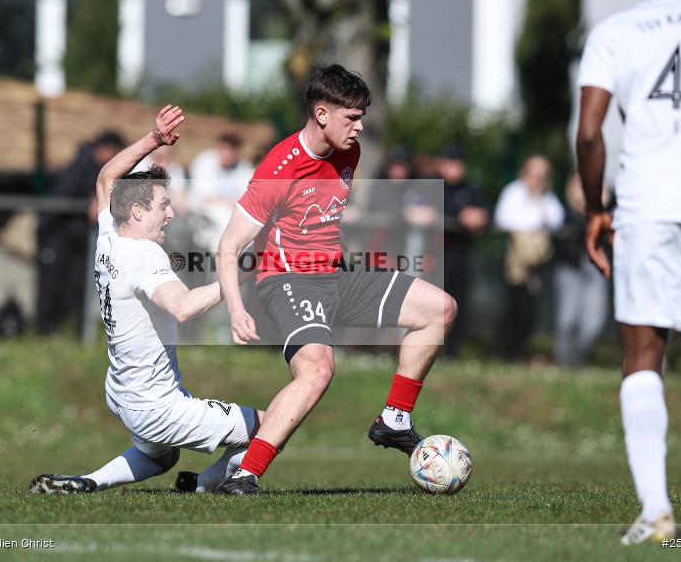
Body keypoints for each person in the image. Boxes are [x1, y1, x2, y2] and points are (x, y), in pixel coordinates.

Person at [213, 64, 457, 495]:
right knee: (317, 371)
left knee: (440, 308)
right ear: (321, 114)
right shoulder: (279, 169)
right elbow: (229, 246)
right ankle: (244, 476)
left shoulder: (348, 152)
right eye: (352, 117)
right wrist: (236, 309)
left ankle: (394, 420)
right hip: (288, 280)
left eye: (363, 116)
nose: (360, 127)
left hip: (335, 275)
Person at [30, 105, 264, 495]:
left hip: (123, 392)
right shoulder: (143, 254)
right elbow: (184, 307)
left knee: (161, 456)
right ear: (137, 211)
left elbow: (107, 178)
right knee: (271, 424)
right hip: (156, 404)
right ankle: (205, 484)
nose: (171, 214)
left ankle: (86, 482)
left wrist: (153, 140)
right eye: (163, 206)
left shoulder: (110, 235)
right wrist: (244, 271)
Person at [576, 0, 681, 544]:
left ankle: (657, 511)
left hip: (647, 204)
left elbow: (590, 134)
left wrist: (596, 207)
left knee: (644, 354)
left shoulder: (620, 30)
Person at [35, 130, 126, 336]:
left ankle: (74, 331)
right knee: (52, 285)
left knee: (77, 286)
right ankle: (44, 331)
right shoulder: (81, 166)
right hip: (56, 235)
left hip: (77, 238)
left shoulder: (95, 168)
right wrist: (90, 200)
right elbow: (61, 198)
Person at [493, 155, 565, 361]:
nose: (538, 180)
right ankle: (505, 352)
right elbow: (504, 219)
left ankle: (517, 352)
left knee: (530, 313)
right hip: (514, 262)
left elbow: (556, 219)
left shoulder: (547, 198)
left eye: (542, 176)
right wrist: (535, 221)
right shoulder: (513, 192)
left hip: (537, 264)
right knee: (514, 308)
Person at [435, 146, 489, 358]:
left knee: (458, 304)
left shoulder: (470, 190)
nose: (454, 168)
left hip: (460, 257)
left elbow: (484, 213)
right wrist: (460, 217)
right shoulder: (431, 185)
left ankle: (452, 351)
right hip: (434, 256)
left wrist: (480, 217)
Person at [552, 173, 609, 368]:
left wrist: (599, 208)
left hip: (595, 271)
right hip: (570, 268)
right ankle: (564, 365)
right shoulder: (561, 209)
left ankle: (577, 360)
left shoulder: (605, 211)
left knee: (593, 323)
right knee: (567, 319)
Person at [188, 132, 255, 254]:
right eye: (224, 148)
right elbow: (206, 198)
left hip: (232, 214)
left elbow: (249, 198)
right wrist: (229, 201)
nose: (227, 153)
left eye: (232, 149)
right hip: (203, 213)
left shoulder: (244, 168)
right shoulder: (205, 162)